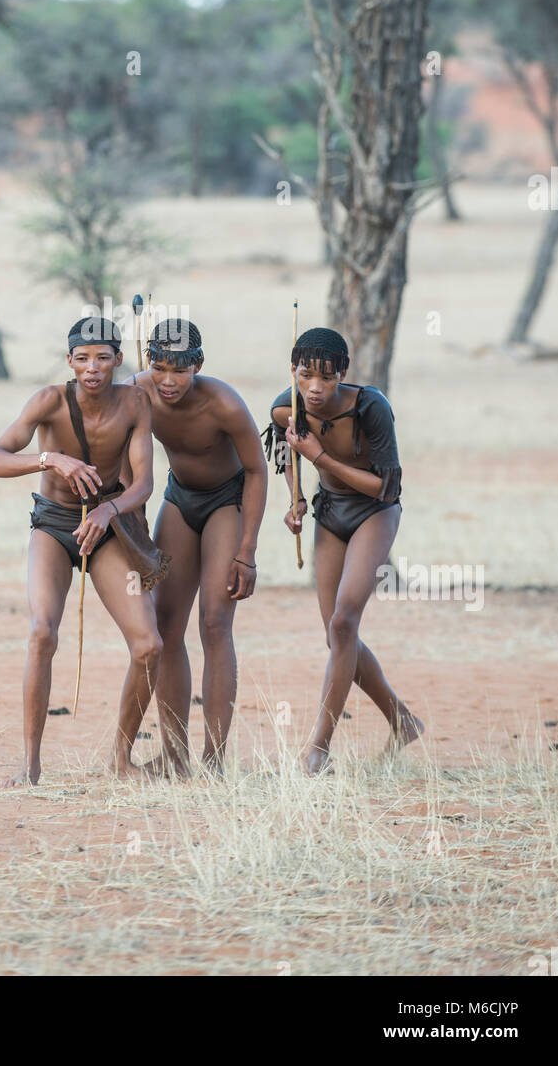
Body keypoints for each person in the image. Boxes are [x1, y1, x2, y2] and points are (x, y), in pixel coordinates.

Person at [0, 316, 167, 786]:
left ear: (118, 361)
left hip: (107, 528)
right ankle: (30, 766)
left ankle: (121, 761)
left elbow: (143, 482)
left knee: (149, 645)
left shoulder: (135, 402)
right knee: (43, 633)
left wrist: (108, 512)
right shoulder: (48, 401)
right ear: (69, 362)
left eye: (103, 358)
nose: (93, 368)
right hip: (53, 525)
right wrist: (51, 459)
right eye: (82, 359)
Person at [265, 326, 423, 776]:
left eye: (327, 377)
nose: (315, 388)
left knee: (343, 621)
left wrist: (320, 458)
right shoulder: (286, 408)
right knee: (338, 635)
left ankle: (318, 748)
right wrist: (295, 500)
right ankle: (402, 721)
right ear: (293, 372)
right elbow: (283, 454)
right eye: (304, 375)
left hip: (375, 512)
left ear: (344, 374)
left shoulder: (371, 406)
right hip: (330, 514)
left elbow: (386, 487)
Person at [126, 318, 268, 774]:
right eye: (160, 367)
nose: (168, 381)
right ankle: (173, 755)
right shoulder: (137, 392)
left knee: (214, 623)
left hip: (226, 501)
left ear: (198, 366)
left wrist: (247, 549)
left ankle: (215, 760)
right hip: (179, 498)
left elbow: (257, 471)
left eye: (179, 371)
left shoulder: (224, 403)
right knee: (165, 625)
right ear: (150, 361)